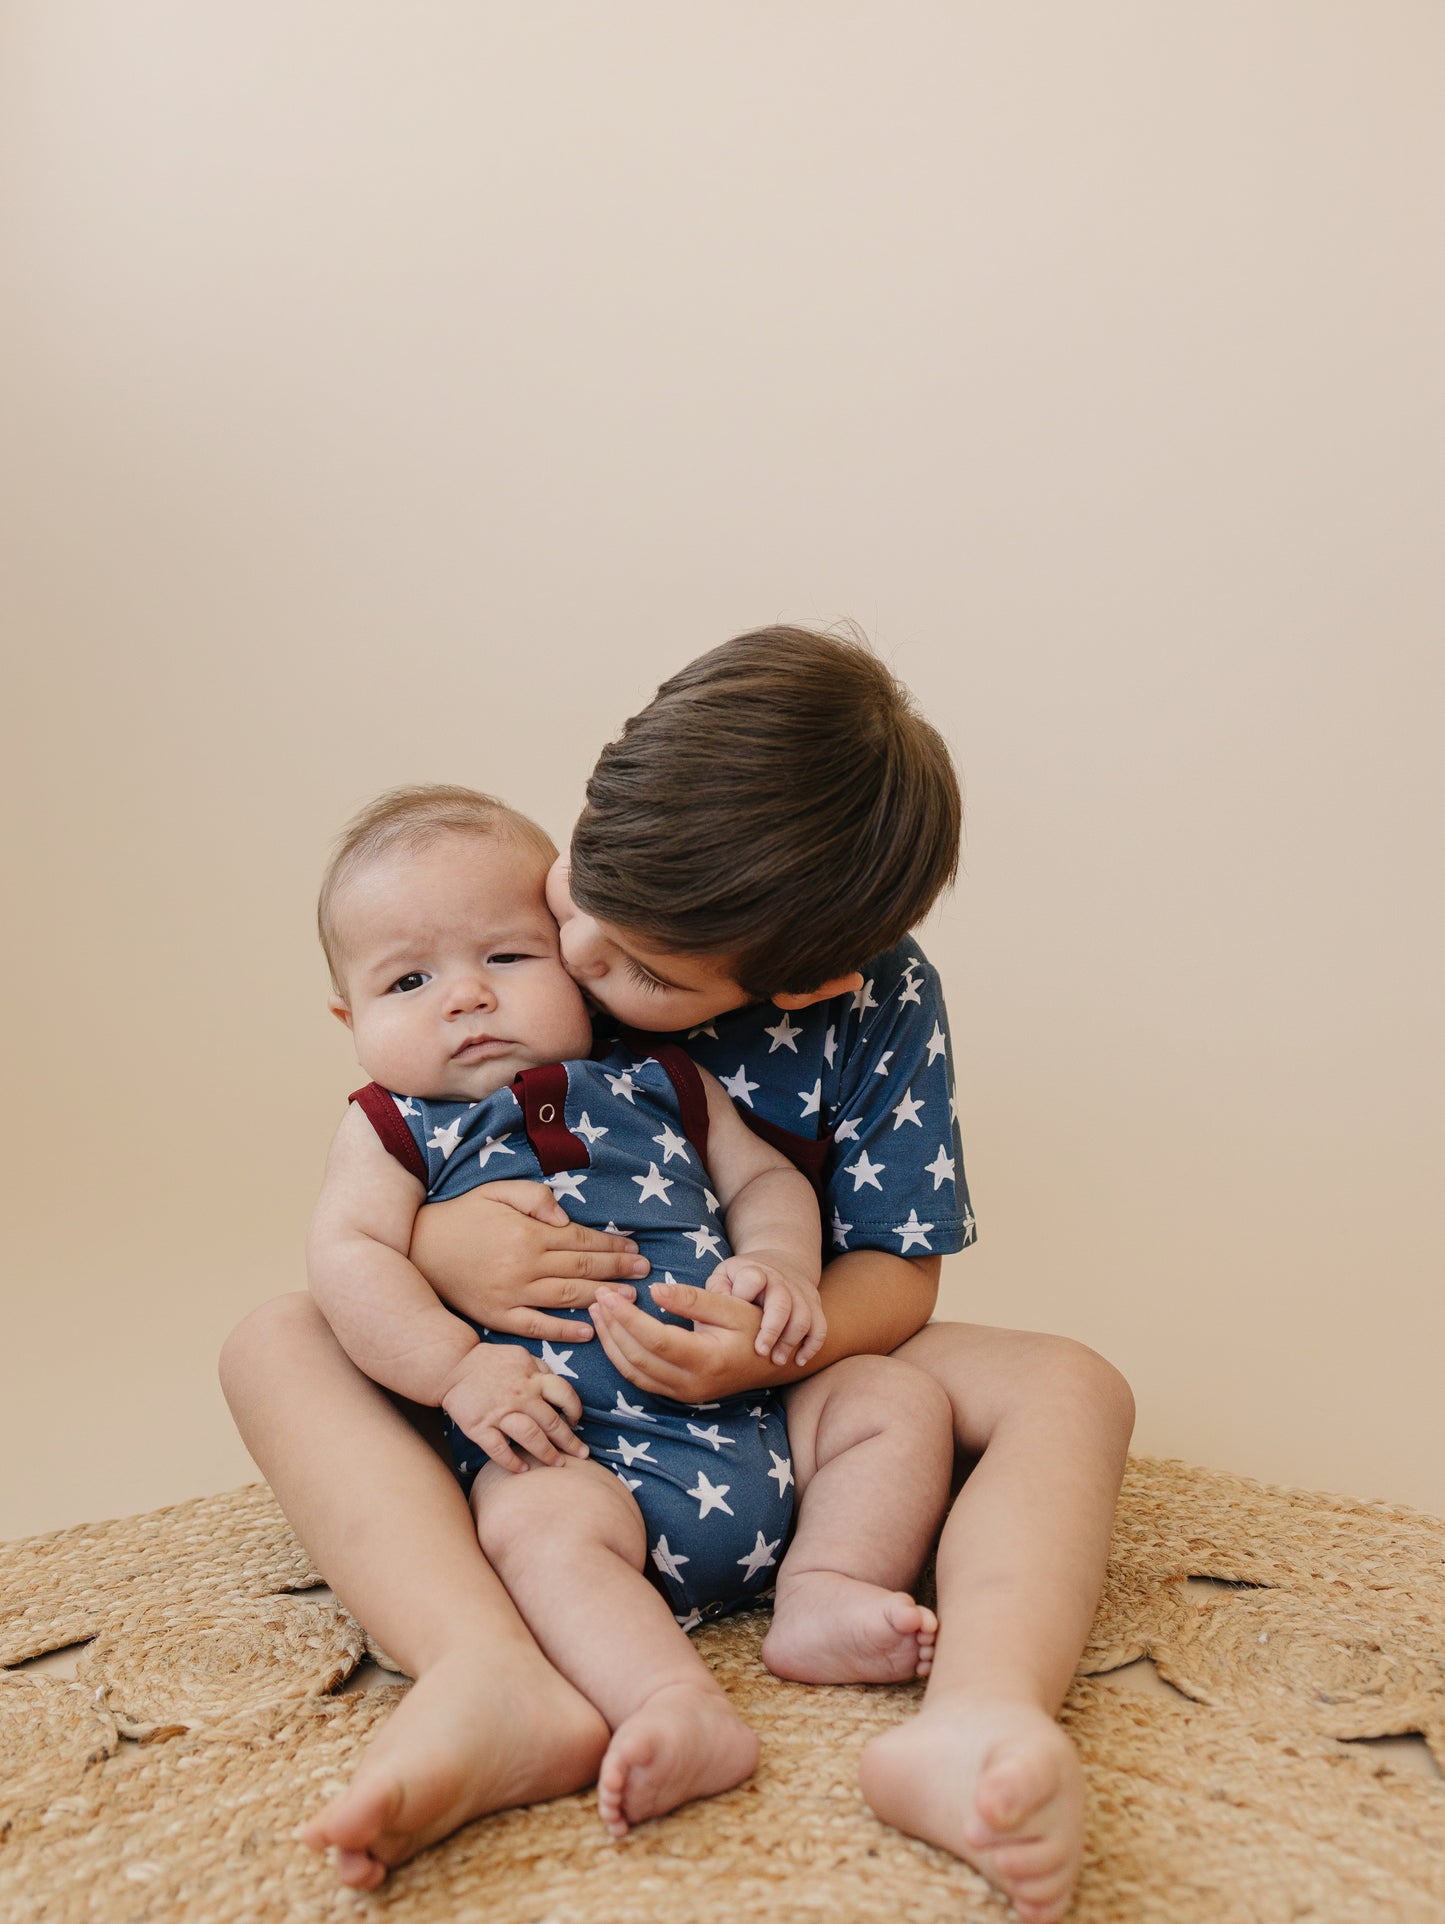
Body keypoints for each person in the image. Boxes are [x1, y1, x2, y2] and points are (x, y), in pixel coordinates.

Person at [221, 627, 1133, 1924]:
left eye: (643, 970)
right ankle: (486, 1671)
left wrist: (779, 1331)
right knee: (275, 1341)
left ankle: (978, 1714)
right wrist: (438, 1251)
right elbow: (382, 1143)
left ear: (810, 981)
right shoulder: (524, 901)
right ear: (595, 803)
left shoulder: (869, 1006)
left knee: (1072, 1384)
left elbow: (895, 1271)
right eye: (577, 896)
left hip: (775, 1355)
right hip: (547, 1404)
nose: (580, 950)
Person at [307, 785, 953, 1838]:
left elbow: (761, 1182)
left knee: (891, 1398)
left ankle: (825, 1583)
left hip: (753, 1420)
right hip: (574, 1457)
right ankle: (674, 1701)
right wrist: (457, 1368)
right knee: (530, 1523)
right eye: (409, 979)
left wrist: (784, 1269)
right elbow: (346, 1258)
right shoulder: (393, 1127)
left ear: (571, 963)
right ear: (351, 1022)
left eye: (505, 959)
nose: (465, 997)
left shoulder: (663, 1074)